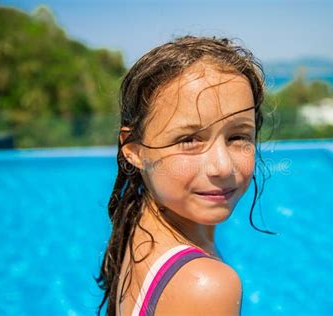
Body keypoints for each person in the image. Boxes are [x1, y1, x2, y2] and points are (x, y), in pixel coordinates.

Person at [95, 35, 274, 316]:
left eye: (238, 136)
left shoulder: (140, 224)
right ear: (134, 150)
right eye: (189, 139)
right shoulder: (205, 286)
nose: (222, 166)